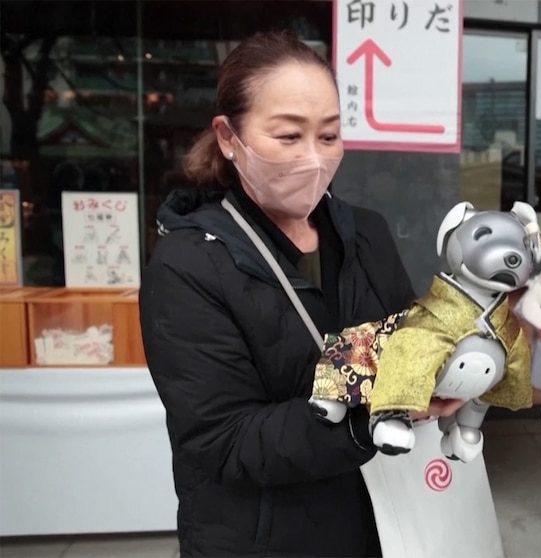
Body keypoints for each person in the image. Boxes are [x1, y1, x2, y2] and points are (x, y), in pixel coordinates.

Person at [139, 31, 459, 557]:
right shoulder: (188, 265)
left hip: (389, 523)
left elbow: (410, 340)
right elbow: (226, 440)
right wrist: (375, 411)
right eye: (288, 137)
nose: (313, 159)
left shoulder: (367, 233)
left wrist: (451, 367)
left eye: (329, 136)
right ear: (227, 136)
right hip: (261, 539)